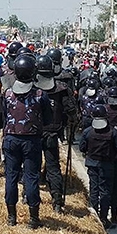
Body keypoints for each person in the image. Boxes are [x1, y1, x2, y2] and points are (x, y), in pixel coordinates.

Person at [1, 52, 48, 229]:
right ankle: (33, 219)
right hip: (32, 141)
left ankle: (11, 217)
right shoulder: (40, 94)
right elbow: (47, 118)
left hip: (11, 139)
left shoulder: (7, 94)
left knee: (11, 177)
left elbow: (5, 117)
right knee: (31, 177)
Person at [35, 53, 77, 214]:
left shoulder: (32, 87)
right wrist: (72, 122)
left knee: (33, 166)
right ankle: (57, 201)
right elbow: (71, 110)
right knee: (53, 167)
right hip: (52, 132)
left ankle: (28, 195)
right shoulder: (61, 88)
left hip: (36, 132)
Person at [79, 104, 117, 228]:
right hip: (107, 165)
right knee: (105, 192)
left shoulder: (88, 131)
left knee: (94, 189)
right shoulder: (112, 132)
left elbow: (82, 147)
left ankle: (94, 217)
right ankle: (103, 218)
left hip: (92, 164)